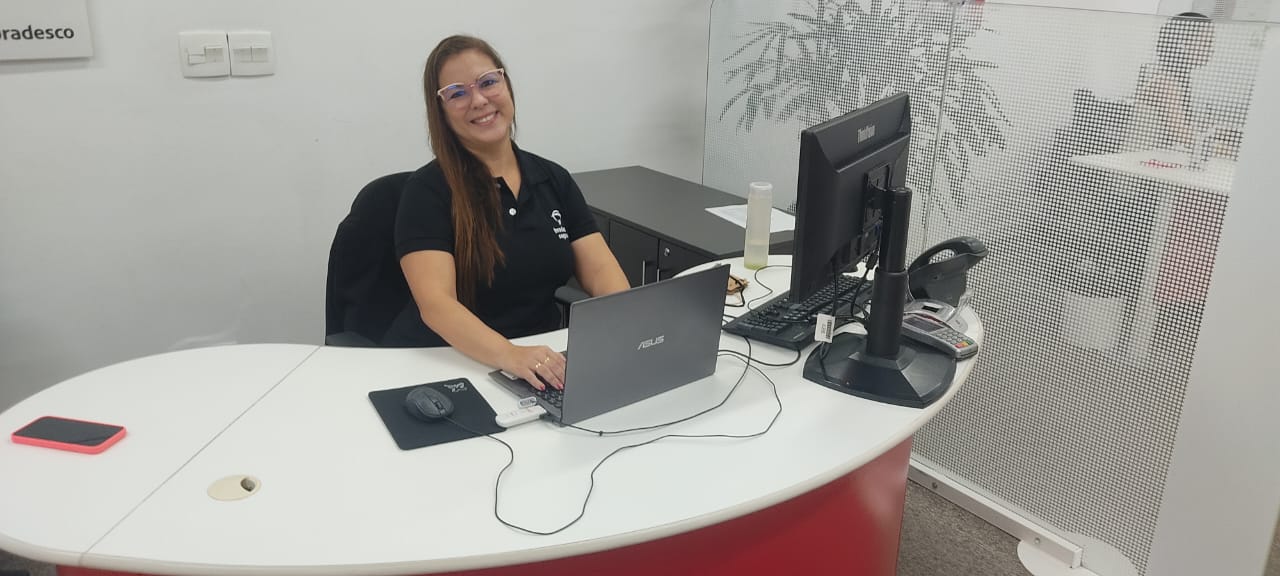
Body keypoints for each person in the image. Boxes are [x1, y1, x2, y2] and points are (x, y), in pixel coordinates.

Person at [388, 35, 630, 390]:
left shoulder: (552, 179)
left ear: (506, 85)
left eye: (488, 82)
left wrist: (629, 325)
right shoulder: (428, 191)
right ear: (440, 111)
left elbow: (599, 268)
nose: (479, 100)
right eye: (457, 93)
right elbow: (437, 305)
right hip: (450, 366)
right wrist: (511, 355)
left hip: (541, 364)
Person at [1125, 12, 1214, 152]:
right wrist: (1219, 148)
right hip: (1142, 163)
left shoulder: (1176, 79)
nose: (1211, 49)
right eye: (1206, 42)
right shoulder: (1165, 82)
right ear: (1184, 43)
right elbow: (1182, 134)